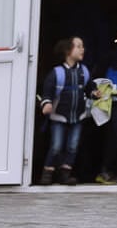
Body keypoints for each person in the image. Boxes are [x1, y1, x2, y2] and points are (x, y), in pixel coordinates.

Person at [39, 37, 100, 185]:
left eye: (83, 46)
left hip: (78, 116)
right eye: (78, 46)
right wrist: (46, 103)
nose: (82, 49)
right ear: (67, 51)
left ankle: (65, 174)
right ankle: (48, 173)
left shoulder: (84, 72)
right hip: (58, 116)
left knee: (73, 146)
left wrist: (94, 93)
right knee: (56, 145)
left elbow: (89, 87)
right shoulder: (57, 73)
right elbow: (47, 91)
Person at [95, 30, 117, 185]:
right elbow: (100, 79)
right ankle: (106, 171)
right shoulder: (111, 56)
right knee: (114, 136)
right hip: (113, 103)